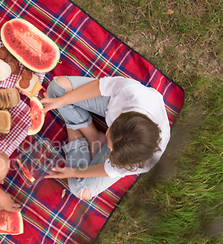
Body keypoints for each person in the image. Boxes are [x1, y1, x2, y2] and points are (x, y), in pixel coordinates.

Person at [40, 76, 170, 200]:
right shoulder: (131, 93)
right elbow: (100, 86)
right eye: (109, 138)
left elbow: (108, 169)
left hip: (125, 150)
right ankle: (92, 136)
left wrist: (75, 172)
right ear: (118, 117)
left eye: (110, 148)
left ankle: (76, 130)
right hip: (114, 102)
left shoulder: (138, 162)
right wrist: (61, 101)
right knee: (56, 89)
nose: (108, 147)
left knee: (80, 189)